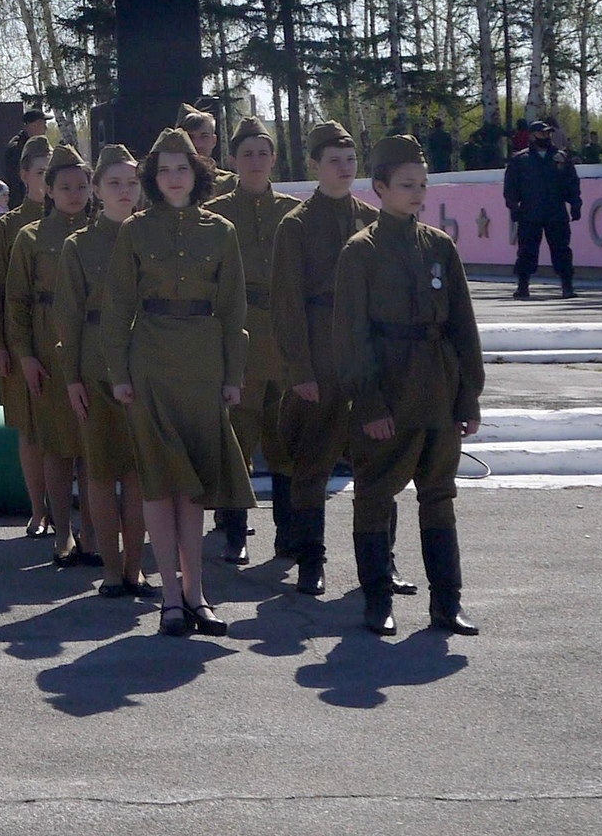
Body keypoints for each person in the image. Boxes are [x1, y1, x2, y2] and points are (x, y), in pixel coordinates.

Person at [334, 135, 485, 638]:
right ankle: (377, 600)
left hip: (439, 391)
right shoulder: (361, 252)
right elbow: (351, 336)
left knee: (439, 496)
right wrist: (370, 403)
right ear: (379, 188)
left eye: (422, 184)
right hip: (389, 394)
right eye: (406, 185)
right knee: (375, 495)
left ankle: (448, 602)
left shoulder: (440, 246)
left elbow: (463, 327)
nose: (418, 193)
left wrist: (469, 396)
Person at [108, 129, 251, 639]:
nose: (173, 177)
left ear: (198, 174)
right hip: (150, 361)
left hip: (203, 362)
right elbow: (118, 307)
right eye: (165, 169)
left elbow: (234, 309)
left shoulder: (222, 230)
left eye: (182, 168)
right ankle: (169, 597)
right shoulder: (135, 230)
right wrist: (119, 374)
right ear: (153, 176)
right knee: (158, 481)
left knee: (192, 489)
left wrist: (234, 376)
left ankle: (197, 595)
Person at [269, 121, 375, 600]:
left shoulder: (373, 220)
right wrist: (300, 372)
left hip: (365, 359)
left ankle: (381, 562)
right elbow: (287, 304)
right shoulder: (296, 224)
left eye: (350, 159)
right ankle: (311, 560)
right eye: (333, 160)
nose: (344, 168)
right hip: (320, 353)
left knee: (377, 463)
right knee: (313, 465)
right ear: (314, 164)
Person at [56, 146, 151, 599]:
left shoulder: (154, 236)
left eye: (132, 183)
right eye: (114, 183)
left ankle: (136, 568)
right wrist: (72, 379)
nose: (125, 192)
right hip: (95, 370)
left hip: (148, 368)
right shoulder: (79, 245)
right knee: (98, 471)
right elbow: (68, 319)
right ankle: (110, 570)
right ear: (96, 191)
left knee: (137, 474)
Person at [208, 118, 300, 567]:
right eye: (247, 154)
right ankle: (234, 529)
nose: (256, 161)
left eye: (263, 153)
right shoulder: (217, 212)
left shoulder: (293, 211)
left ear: (274, 160)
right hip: (239, 333)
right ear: (233, 161)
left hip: (282, 335)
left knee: (283, 436)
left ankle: (288, 531)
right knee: (237, 437)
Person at [5, 142, 94, 562]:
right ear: (50, 191)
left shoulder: (105, 231)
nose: (74, 194)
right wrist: (24, 354)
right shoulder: (31, 236)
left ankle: (94, 530)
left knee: (93, 448)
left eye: (82, 185)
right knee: (57, 446)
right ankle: (62, 531)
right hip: (48, 346)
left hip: (94, 348)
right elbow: (16, 302)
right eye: (65, 186)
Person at [0, 134, 55, 536]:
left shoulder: (79, 217)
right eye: (42, 173)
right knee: (31, 429)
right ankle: (38, 508)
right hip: (21, 339)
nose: (48, 182)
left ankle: (72, 510)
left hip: (67, 337)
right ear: (24, 176)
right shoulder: (9, 227)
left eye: (55, 174)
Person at [504, 122, 582, 301]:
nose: (546, 137)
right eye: (541, 133)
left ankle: (567, 286)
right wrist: (513, 207)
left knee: (562, 251)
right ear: (532, 136)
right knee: (526, 251)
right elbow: (511, 186)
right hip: (530, 213)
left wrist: (576, 204)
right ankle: (522, 286)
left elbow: (572, 183)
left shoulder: (560, 158)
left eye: (547, 134)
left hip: (556, 213)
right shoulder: (520, 160)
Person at [0, 108, 51, 198]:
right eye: (43, 124)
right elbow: (16, 180)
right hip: (22, 200)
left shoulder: (37, 146)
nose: (46, 128)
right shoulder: (17, 148)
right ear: (35, 125)